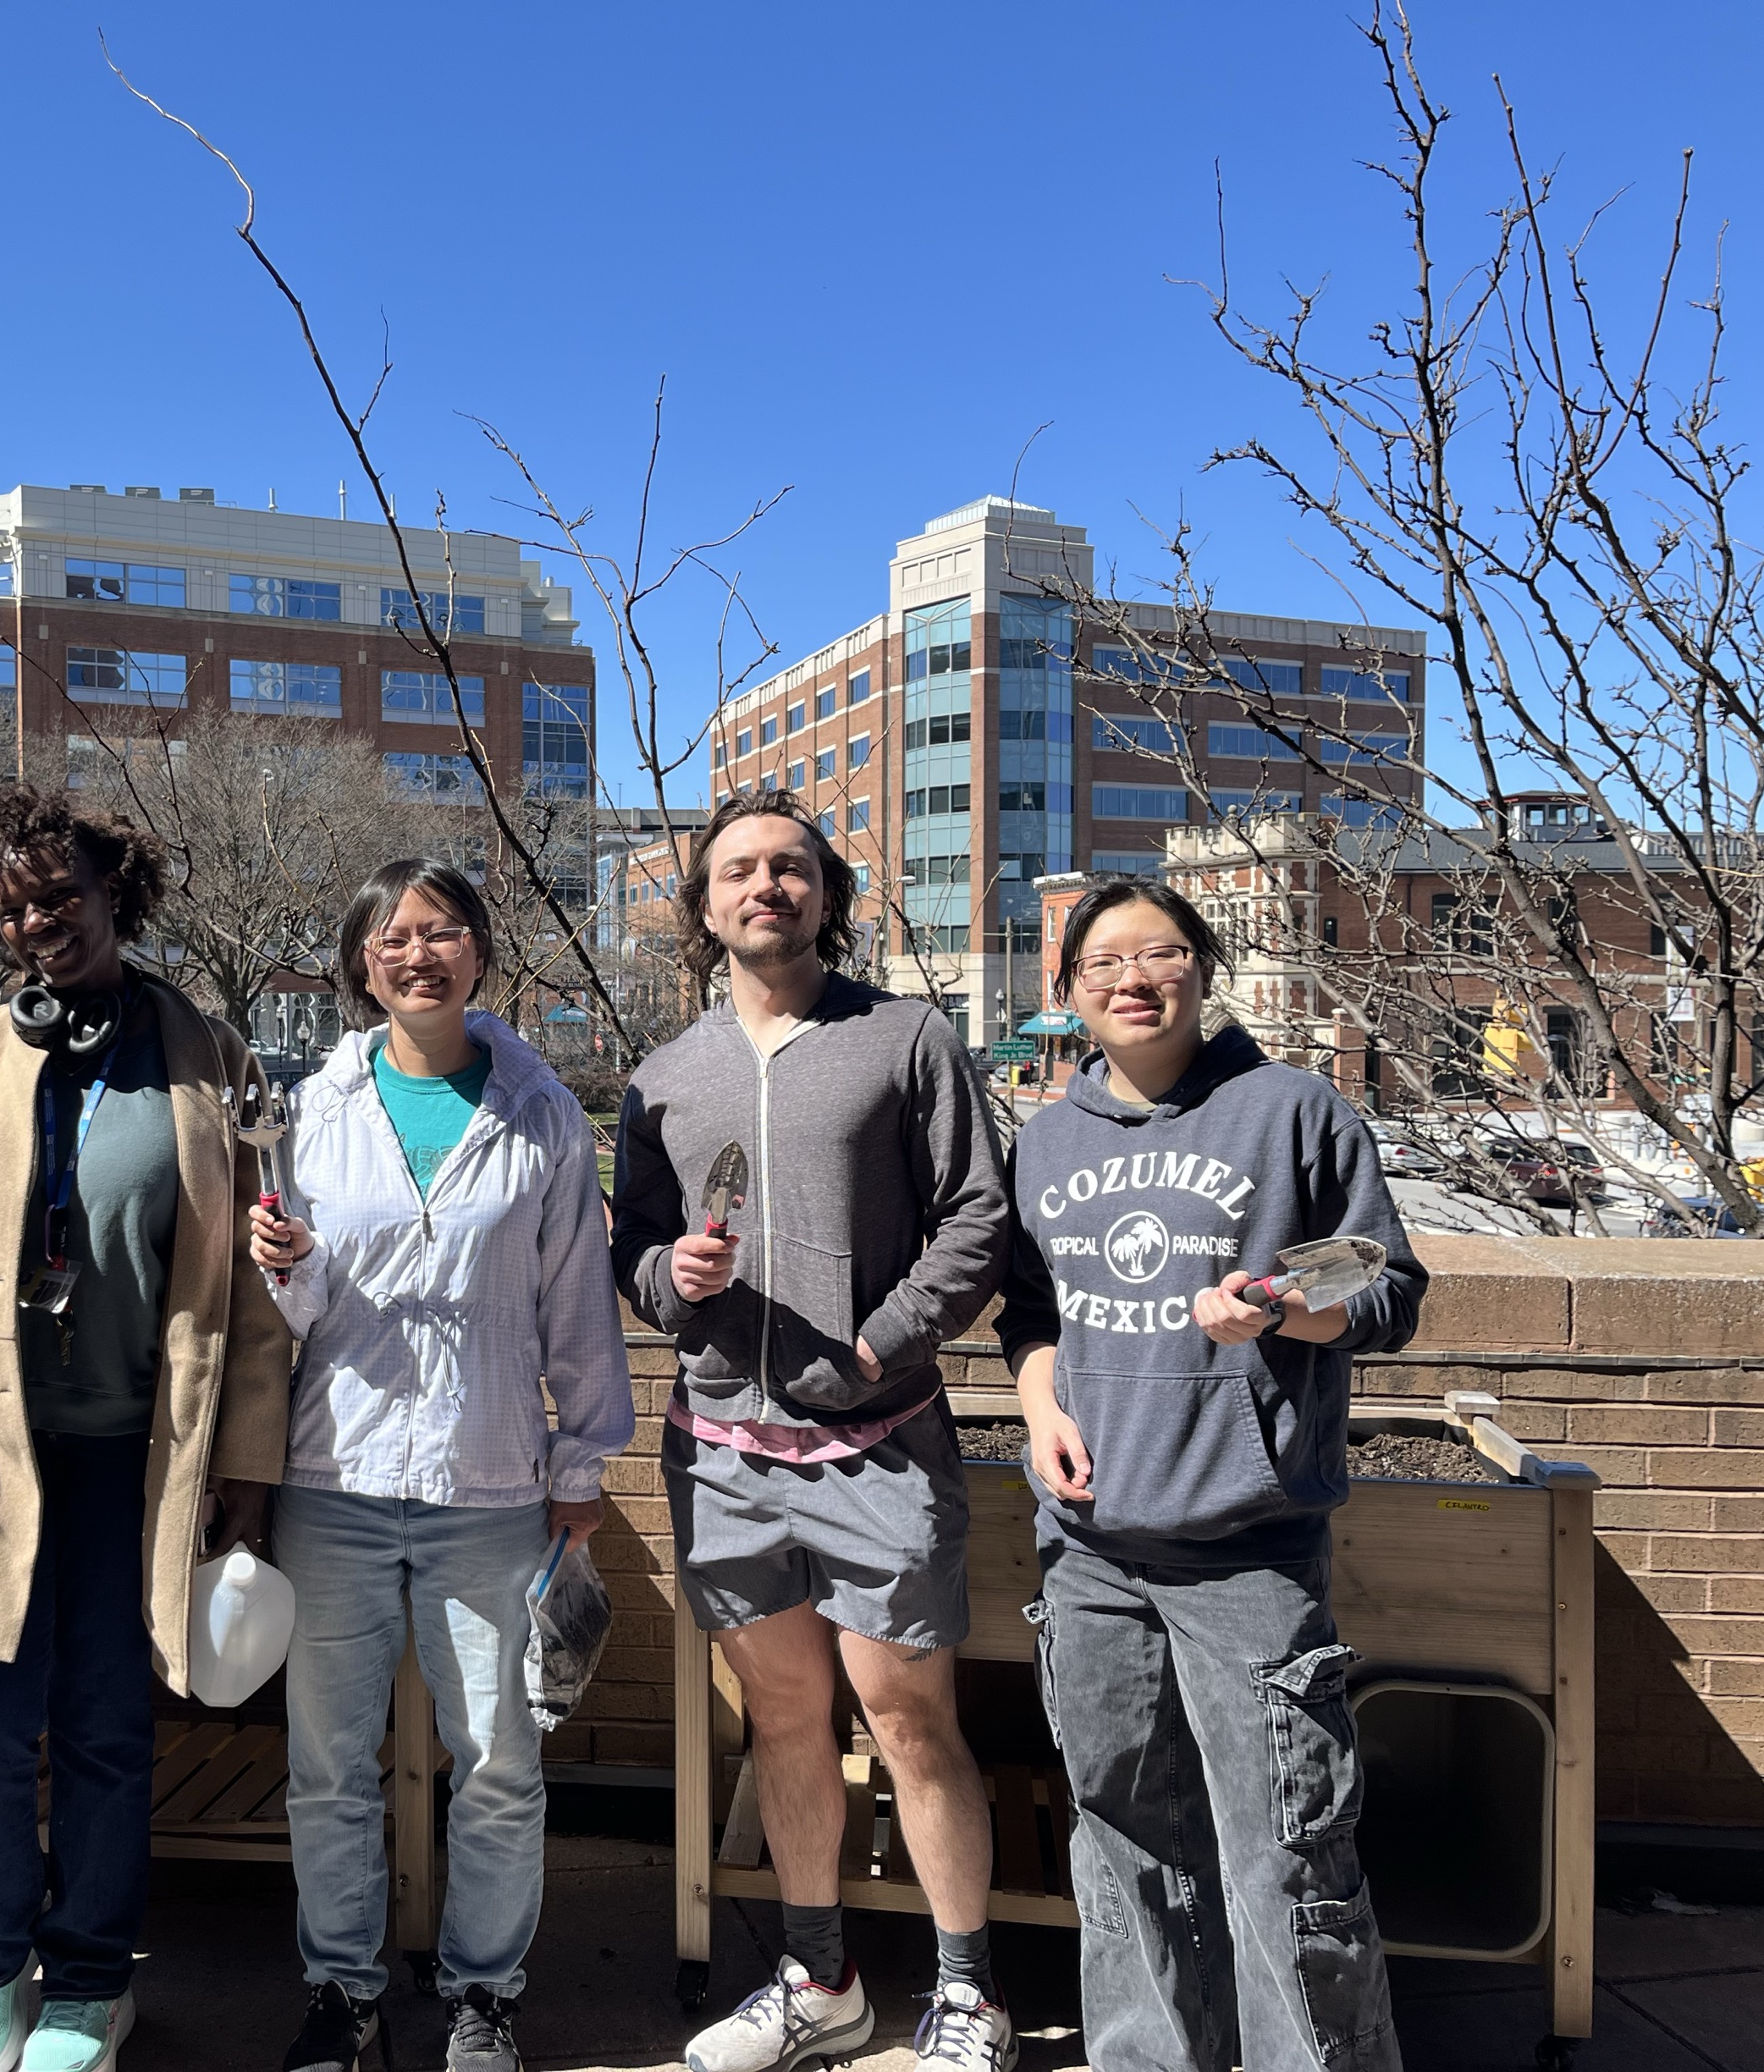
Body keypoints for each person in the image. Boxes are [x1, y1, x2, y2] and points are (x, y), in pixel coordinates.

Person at [0, 782, 289, 2072]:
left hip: (139, 1461)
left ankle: (94, 1981)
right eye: (16, 905)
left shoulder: (211, 1056)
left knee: (106, 1723)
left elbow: (258, 1282)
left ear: (117, 894)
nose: (44, 919)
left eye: (65, 894)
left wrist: (248, 1467)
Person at [611, 789, 1017, 2072]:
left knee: (908, 1719)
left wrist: (876, 1344)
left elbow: (976, 1220)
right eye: (739, 871)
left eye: (790, 868)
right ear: (705, 907)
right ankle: (820, 1979)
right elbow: (629, 1253)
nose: (765, 887)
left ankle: (966, 1996)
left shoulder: (906, 1041)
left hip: (880, 1439)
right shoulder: (663, 1079)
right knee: (783, 1724)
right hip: (726, 1450)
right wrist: (664, 1281)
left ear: (828, 895)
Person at [995, 879, 1427, 2072]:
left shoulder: (1293, 1112)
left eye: (1164, 952)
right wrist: (1041, 1415)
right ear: (1071, 990)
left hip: (1249, 1552)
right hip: (1089, 1554)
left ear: (1204, 968)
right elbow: (1029, 1313)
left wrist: (1286, 1309)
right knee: (1123, 1845)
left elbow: (1387, 1289)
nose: (1135, 978)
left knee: (1289, 1856)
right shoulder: (1048, 1136)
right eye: (1106, 963)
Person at [247, 860, 632, 2072]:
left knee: (503, 1764)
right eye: (394, 937)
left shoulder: (543, 1112)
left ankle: (484, 1996)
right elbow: (293, 1319)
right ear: (363, 964)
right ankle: (344, 1992)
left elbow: (578, 1305)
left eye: (444, 932)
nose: (419, 954)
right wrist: (286, 1266)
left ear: (480, 953)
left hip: (493, 1485)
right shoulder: (312, 1110)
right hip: (336, 1480)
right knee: (327, 1768)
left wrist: (587, 1463)